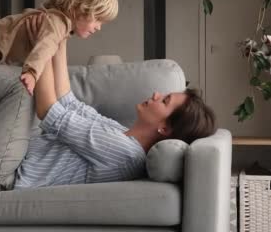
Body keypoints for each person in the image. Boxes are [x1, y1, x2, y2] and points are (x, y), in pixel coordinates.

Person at [12, 17, 217, 188]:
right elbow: (69, 103)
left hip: (13, 170)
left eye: (164, 100)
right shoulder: (123, 135)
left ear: (165, 128)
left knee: (15, 86)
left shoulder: (124, 152)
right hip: (20, 152)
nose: (156, 94)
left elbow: (48, 111)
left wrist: (41, 45)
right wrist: (62, 29)